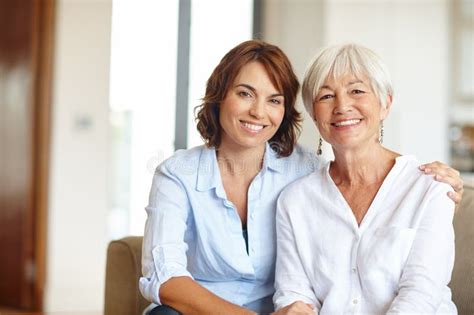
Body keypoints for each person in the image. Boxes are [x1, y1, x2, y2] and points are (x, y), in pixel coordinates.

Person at [139, 40, 463, 315]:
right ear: (219, 95)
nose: (258, 112)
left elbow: (418, 283)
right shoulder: (179, 174)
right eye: (245, 93)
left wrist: (445, 191)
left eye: (274, 100)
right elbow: (165, 275)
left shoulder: (305, 171)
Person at [274, 43, 458, 314]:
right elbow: (294, 293)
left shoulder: (430, 188)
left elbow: (420, 296)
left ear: (386, 104)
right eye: (326, 96)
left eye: (357, 91)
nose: (342, 106)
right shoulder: (295, 200)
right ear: (314, 115)